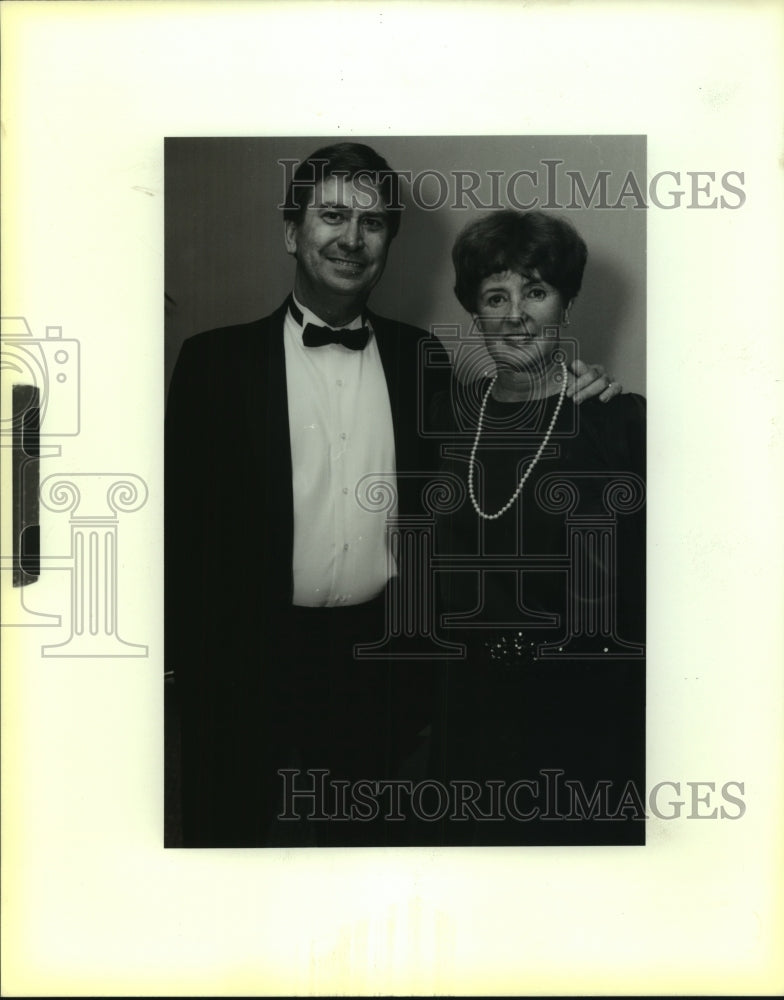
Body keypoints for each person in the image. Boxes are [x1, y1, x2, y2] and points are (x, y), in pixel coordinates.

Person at [165, 144, 621, 847]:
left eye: (373, 222)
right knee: (229, 847)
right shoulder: (212, 362)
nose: (352, 239)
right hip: (245, 664)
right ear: (293, 232)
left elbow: (513, 417)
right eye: (333, 216)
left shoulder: (424, 360)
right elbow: (179, 535)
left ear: (388, 242)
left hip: (377, 668)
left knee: (368, 856)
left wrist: (588, 385)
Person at [426, 209, 646, 846]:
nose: (516, 313)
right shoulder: (445, 418)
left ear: (565, 303)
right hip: (469, 707)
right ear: (475, 312)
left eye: (537, 291)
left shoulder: (618, 419)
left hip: (586, 709)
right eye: (497, 296)